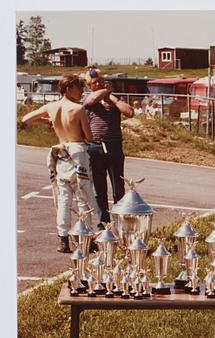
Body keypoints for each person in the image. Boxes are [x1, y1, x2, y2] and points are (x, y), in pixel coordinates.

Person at [21, 75, 99, 253]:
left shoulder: (51, 107)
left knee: (63, 199)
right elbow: (89, 137)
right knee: (83, 199)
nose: (82, 92)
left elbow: (26, 119)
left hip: (61, 156)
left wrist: (48, 121)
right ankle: (85, 237)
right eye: (79, 88)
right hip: (78, 156)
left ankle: (63, 239)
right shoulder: (78, 109)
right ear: (69, 88)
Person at [82, 68, 134, 228]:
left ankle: (120, 219)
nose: (97, 84)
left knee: (118, 186)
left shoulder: (113, 99)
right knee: (99, 187)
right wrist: (106, 91)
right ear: (89, 86)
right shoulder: (88, 97)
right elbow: (90, 102)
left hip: (114, 146)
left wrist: (112, 98)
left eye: (100, 81)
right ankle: (103, 220)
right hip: (95, 146)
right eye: (94, 83)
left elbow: (130, 112)